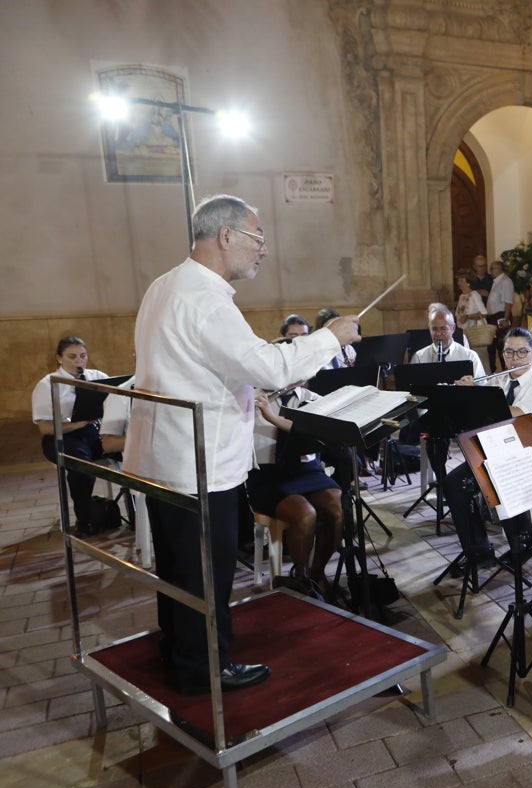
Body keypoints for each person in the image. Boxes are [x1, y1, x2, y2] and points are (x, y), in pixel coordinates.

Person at [124, 194, 360, 696]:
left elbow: (200, 368)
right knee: (205, 573)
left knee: (179, 568)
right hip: (198, 463)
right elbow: (270, 366)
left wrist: (247, 385)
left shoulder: (165, 285)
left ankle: (179, 650)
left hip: (165, 456)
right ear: (225, 236)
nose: (264, 250)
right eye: (258, 238)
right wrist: (330, 338)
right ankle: (205, 667)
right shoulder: (205, 299)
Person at [442, 328, 532, 565]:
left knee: (496, 476)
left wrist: (479, 395)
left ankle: (522, 540)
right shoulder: (499, 380)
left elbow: (518, 417)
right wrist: (464, 396)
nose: (515, 359)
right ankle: (479, 551)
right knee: (452, 484)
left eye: (522, 352)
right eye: (509, 353)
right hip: (497, 452)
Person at [247, 372, 344, 603]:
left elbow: (319, 430)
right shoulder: (251, 398)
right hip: (268, 475)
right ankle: (300, 579)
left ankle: (317, 572)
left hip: (307, 470)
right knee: (305, 514)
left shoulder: (311, 398)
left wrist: (273, 418)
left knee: (338, 508)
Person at [31, 336, 110, 534]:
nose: (79, 361)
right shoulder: (47, 384)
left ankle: (137, 513)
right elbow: (45, 428)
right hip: (62, 436)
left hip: (93, 432)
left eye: (83, 356)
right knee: (81, 465)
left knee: (129, 449)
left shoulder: (97, 376)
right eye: (72, 357)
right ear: (59, 358)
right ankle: (84, 519)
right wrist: (79, 423)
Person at [410, 304, 486, 378]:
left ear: (453, 328)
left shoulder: (470, 356)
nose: (438, 333)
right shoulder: (419, 357)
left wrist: (471, 387)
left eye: (443, 328)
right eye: (434, 329)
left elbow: (483, 388)